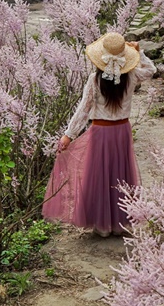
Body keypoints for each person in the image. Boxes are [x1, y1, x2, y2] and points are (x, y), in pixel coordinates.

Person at [42, 32, 156, 237]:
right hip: (121, 131)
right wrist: (140, 52)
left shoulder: (94, 79)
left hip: (100, 132)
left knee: (100, 175)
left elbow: (83, 110)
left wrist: (69, 134)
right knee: (121, 174)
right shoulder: (131, 76)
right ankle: (120, 222)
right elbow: (151, 70)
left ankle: (102, 225)